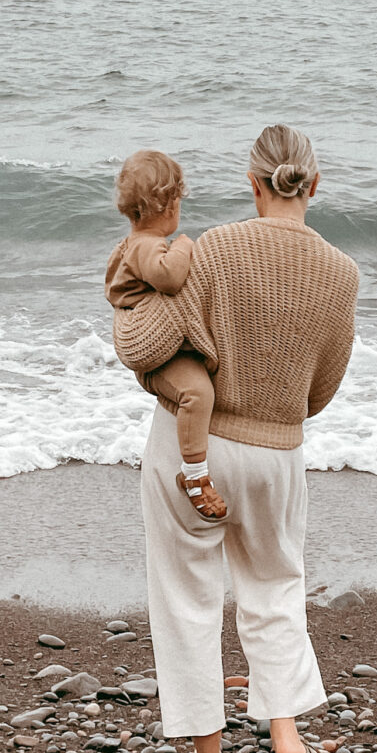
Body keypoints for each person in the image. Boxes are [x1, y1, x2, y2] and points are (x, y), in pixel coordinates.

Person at [112, 124, 358, 753]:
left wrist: (126, 311)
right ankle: (286, 740)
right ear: (314, 184)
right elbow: (322, 390)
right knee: (275, 586)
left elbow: (150, 342)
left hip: (199, 446)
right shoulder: (342, 273)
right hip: (278, 452)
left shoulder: (213, 249)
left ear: (252, 185)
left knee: (189, 597)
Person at [105, 149, 227, 521]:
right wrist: (187, 245)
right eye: (177, 201)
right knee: (197, 392)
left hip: (160, 346)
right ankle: (193, 476)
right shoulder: (146, 246)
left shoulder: (136, 243)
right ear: (165, 206)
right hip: (153, 351)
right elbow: (170, 279)